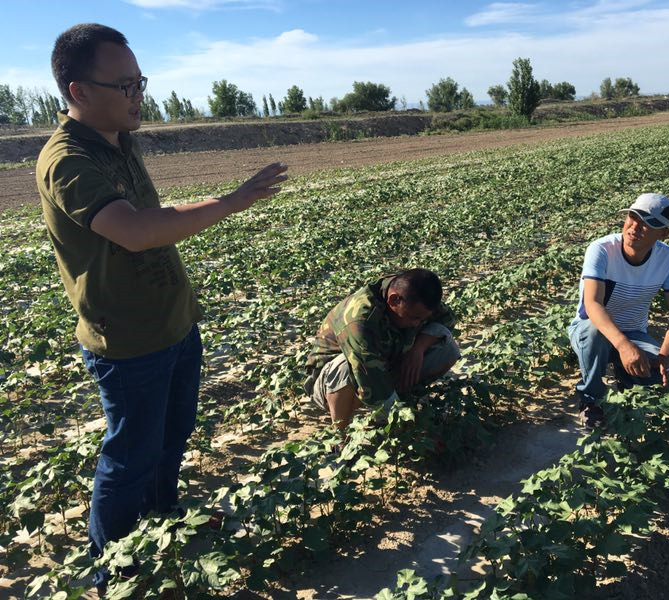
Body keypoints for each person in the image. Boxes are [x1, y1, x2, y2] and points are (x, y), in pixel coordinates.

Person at [36, 23, 288, 592]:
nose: (137, 96)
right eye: (125, 85)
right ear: (79, 91)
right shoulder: (67, 161)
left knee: (170, 439)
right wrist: (234, 199)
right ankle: (114, 567)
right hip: (127, 341)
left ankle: (163, 517)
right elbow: (135, 231)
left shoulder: (121, 142)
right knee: (128, 457)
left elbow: (157, 210)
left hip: (175, 323)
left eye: (139, 82)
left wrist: (223, 199)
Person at [568, 193, 669, 428]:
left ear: (664, 234)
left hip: (634, 332)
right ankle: (591, 400)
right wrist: (624, 346)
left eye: (647, 224)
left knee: (660, 379)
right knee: (595, 331)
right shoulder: (601, 249)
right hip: (591, 330)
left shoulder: (668, 258)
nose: (635, 227)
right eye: (633, 218)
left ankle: (626, 377)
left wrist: (666, 355)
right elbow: (593, 305)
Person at [305, 269, 461, 432]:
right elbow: (370, 378)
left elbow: (447, 319)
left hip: (384, 364)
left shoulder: (416, 297)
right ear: (394, 300)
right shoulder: (360, 320)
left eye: (422, 319)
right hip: (332, 382)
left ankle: (405, 399)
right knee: (345, 366)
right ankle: (338, 436)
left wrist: (418, 349)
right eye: (413, 318)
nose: (417, 324)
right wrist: (404, 421)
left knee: (447, 349)